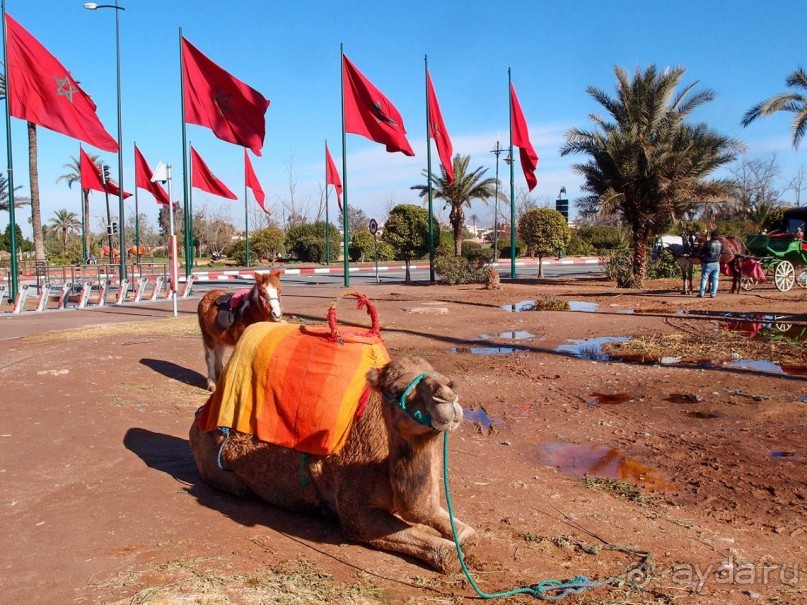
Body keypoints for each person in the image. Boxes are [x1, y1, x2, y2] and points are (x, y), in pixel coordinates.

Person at [698, 230, 723, 298]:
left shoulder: (707, 243)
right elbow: (720, 253)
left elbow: (701, 253)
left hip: (708, 263)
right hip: (716, 263)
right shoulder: (721, 244)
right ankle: (713, 294)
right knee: (715, 279)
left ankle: (702, 293)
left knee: (704, 278)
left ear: (711, 236)